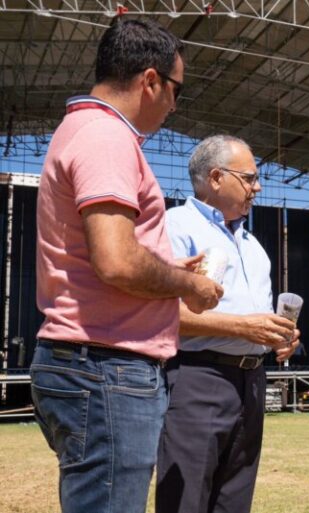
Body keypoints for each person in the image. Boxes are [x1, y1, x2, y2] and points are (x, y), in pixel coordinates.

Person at [31, 20, 223, 513]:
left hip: (92, 365)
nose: (175, 106)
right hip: (106, 368)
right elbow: (117, 262)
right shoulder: (107, 137)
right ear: (151, 80)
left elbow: (100, 254)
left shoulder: (83, 129)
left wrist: (163, 266)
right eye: (177, 90)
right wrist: (187, 285)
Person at [155, 135, 300, 513]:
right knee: (186, 500)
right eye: (250, 178)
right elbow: (162, 314)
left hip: (252, 381)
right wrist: (242, 328)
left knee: (235, 499)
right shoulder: (174, 227)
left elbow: (257, 319)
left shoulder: (254, 247)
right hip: (197, 377)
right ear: (216, 178)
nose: (258, 187)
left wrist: (277, 337)